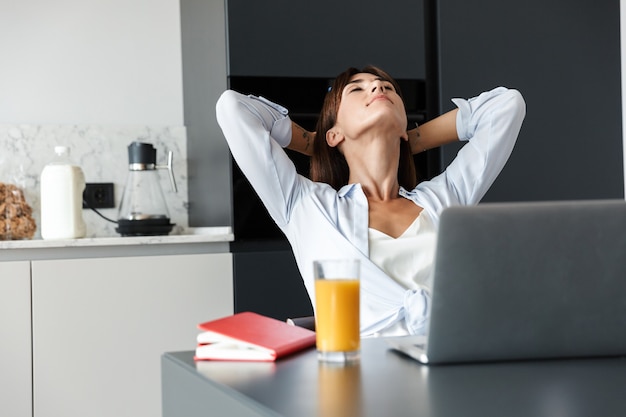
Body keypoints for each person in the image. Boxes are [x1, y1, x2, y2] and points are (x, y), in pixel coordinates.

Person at [216, 66, 526, 337]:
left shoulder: (442, 200)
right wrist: (312, 143)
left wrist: (412, 138)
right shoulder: (307, 206)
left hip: (450, 368)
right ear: (334, 133)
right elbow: (233, 108)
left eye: (388, 88)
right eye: (357, 88)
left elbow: (506, 107)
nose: (377, 87)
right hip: (361, 383)